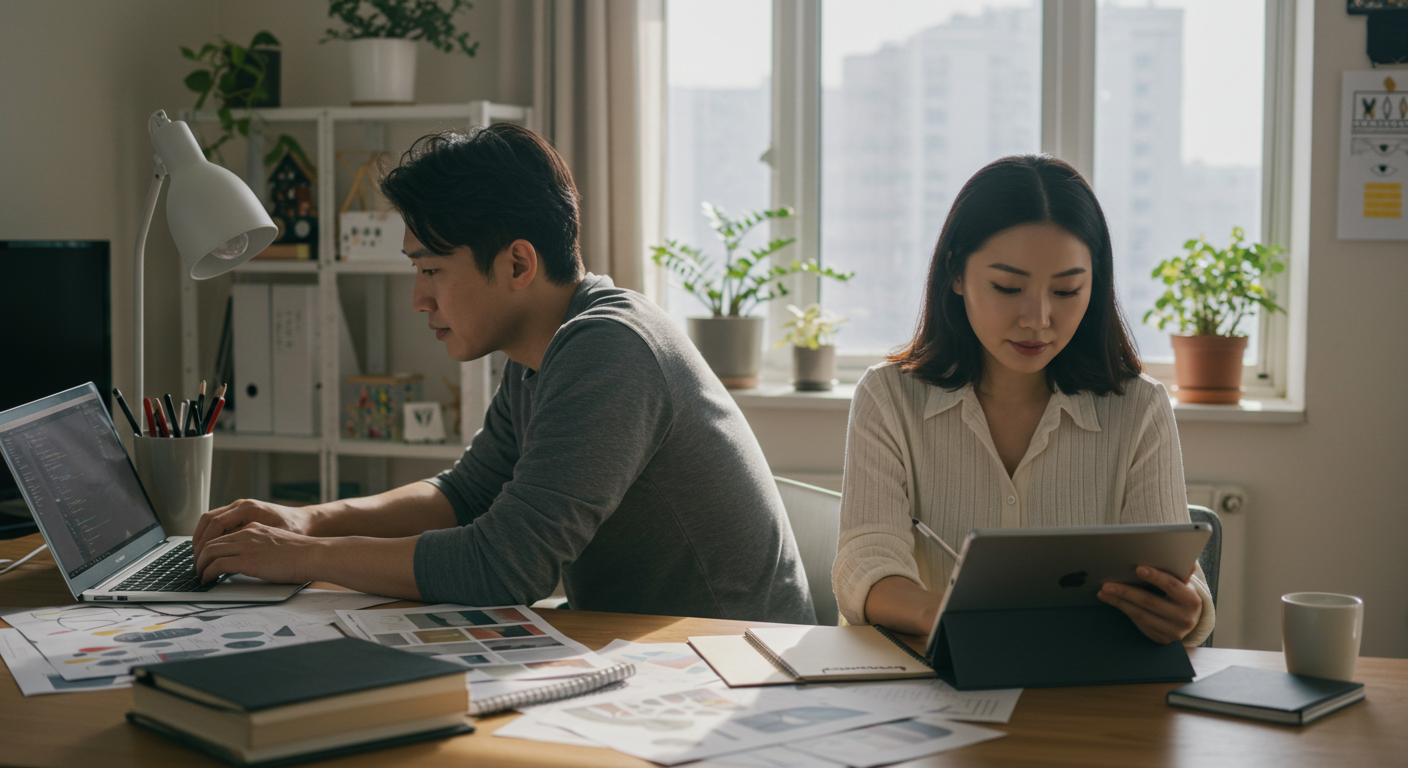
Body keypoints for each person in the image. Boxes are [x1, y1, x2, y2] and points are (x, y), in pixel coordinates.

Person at [192, 123, 815, 624]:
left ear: (518, 263)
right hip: (647, 644)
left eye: (431, 270)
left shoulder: (609, 349)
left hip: (730, 662)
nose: (418, 300)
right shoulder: (541, 352)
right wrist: (308, 520)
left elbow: (506, 567)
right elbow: (467, 495)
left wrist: (303, 557)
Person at [832, 154, 1214, 646]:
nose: (1038, 319)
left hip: (1089, 681)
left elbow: (1172, 574)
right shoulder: (888, 398)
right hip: (929, 677)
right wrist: (947, 616)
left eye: (1067, 291)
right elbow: (866, 560)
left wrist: (1186, 610)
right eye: (1008, 287)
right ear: (955, 273)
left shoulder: (1139, 408)